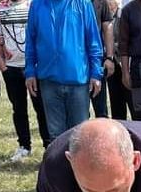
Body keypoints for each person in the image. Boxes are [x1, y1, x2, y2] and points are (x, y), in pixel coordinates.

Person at [25, 0, 105, 140]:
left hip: (78, 80)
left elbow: (93, 40)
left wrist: (96, 73)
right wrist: (30, 71)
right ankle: (58, 155)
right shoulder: (37, 5)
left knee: (79, 134)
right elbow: (30, 40)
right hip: (48, 80)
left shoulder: (83, 4)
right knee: (56, 136)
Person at [0, 0, 51, 162]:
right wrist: (3, 67)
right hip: (11, 68)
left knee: (41, 108)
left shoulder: (35, 5)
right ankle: (24, 146)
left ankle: (48, 145)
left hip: (35, 68)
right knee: (18, 109)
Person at [90, 0, 118, 118]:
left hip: (97, 61)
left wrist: (109, 57)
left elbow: (108, 28)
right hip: (77, 63)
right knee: (79, 116)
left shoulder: (101, 2)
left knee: (101, 111)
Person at [107, 0, 133, 120]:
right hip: (112, 66)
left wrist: (112, 46)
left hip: (125, 64)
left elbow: (127, 40)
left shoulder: (124, 15)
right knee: (117, 105)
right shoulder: (105, 17)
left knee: (132, 101)